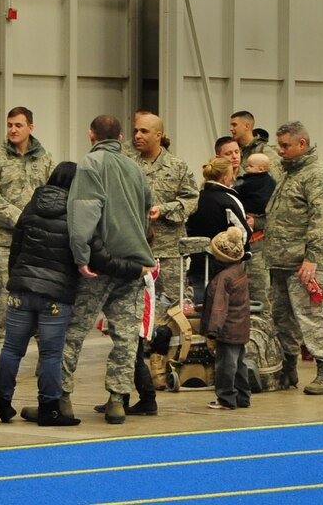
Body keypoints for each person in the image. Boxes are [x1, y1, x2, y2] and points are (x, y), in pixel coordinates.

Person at [61, 115, 155, 425]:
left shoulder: (90, 164)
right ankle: (117, 400)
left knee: (73, 332)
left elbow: (84, 211)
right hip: (134, 265)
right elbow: (146, 212)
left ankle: (61, 397)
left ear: (91, 135)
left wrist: (81, 255)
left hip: (100, 266)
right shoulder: (135, 168)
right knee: (126, 336)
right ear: (120, 136)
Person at [117, 110, 197, 416]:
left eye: (144, 131)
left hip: (167, 250)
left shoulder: (176, 166)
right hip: (132, 250)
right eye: (135, 130)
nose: (137, 135)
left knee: (166, 313)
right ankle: (128, 380)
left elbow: (192, 200)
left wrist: (164, 209)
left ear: (159, 135)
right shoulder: (126, 163)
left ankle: (162, 369)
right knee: (129, 315)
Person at [0, 162, 81, 427]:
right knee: (51, 354)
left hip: (21, 290)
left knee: (11, 348)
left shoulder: (31, 206)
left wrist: (16, 280)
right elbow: (79, 255)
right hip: (55, 295)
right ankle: (49, 410)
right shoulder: (75, 213)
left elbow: (15, 248)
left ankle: (3, 404)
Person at [264, 121, 323, 395]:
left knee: (312, 317)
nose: (280, 151)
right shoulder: (289, 173)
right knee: (281, 319)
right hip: (280, 261)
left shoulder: (316, 175)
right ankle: (288, 369)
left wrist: (312, 258)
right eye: (279, 145)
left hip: (303, 264)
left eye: (285, 146)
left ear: (302, 144)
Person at [0, 107, 54, 376]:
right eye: (9, 125)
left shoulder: (45, 159)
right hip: (3, 242)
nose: (12, 130)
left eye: (18, 125)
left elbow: (53, 194)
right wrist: (21, 218)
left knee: (39, 297)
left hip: (34, 244)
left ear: (30, 127)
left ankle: (44, 357)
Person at [185, 158, 251, 304]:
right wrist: (243, 252)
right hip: (224, 263)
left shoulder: (195, 198)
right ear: (225, 178)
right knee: (222, 306)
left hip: (197, 261)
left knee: (199, 306)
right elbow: (243, 232)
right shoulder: (229, 199)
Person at [203, 227, 251, 410]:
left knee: (225, 366)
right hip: (241, 325)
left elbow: (219, 307)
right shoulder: (239, 271)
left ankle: (226, 398)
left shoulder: (222, 279)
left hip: (227, 329)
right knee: (239, 364)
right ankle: (243, 397)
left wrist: (213, 330)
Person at [235, 153, 276, 307]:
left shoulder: (252, 182)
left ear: (261, 169)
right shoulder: (234, 179)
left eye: (250, 166)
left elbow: (275, 215)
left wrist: (257, 222)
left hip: (257, 242)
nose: (247, 168)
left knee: (259, 290)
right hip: (234, 245)